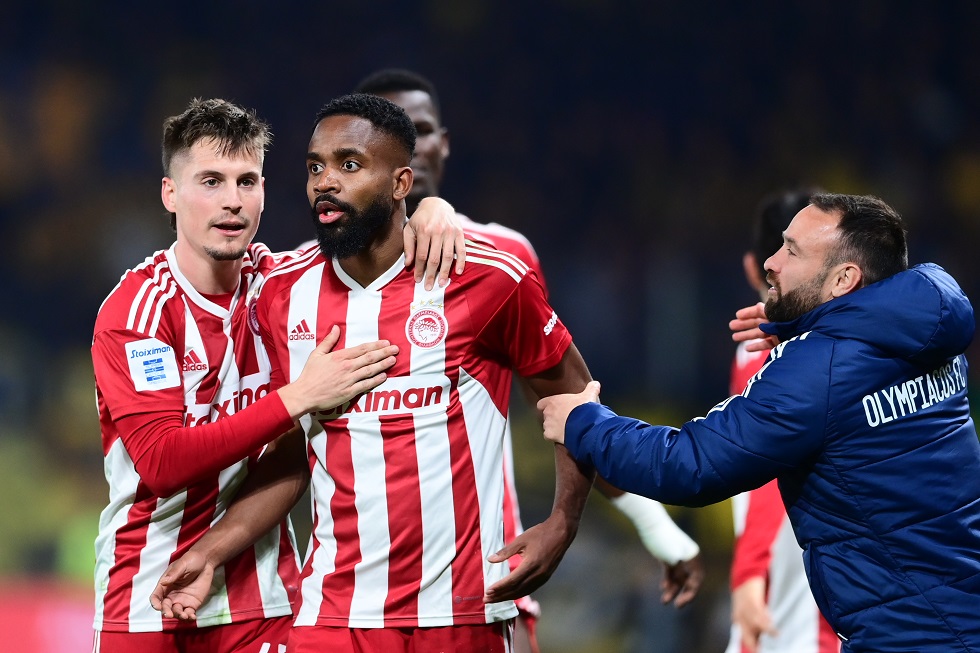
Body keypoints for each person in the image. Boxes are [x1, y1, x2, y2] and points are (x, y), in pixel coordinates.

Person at [150, 93, 597, 652]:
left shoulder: (486, 279)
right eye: (315, 167)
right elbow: (292, 453)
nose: (326, 182)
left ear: (401, 182)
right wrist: (211, 551)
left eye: (350, 165)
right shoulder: (281, 294)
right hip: (332, 617)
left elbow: (576, 396)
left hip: (460, 615)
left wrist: (563, 521)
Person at [91, 97, 465, 652]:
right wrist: (297, 397)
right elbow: (163, 462)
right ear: (170, 194)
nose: (232, 201)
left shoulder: (288, 289)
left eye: (247, 182)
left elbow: (379, 238)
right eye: (211, 182)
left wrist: (433, 209)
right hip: (146, 599)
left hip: (266, 599)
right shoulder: (139, 311)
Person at [349, 67, 704, 651]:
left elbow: (566, 402)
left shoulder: (502, 256)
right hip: (347, 606)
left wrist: (652, 523)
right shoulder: (311, 276)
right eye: (392, 132)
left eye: (422, 130)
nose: (410, 145)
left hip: (481, 593)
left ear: (445, 143)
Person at [539, 193, 980, 652]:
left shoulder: (816, 370)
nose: (771, 261)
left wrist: (584, 422)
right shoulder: (931, 330)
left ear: (844, 279)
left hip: (911, 637)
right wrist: (808, 323)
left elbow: (689, 465)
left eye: (792, 251)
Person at [724, 188, 839, 653]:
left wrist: (748, 573)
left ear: (754, 267)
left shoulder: (775, 353)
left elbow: (769, 466)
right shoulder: (854, 343)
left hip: (795, 564)